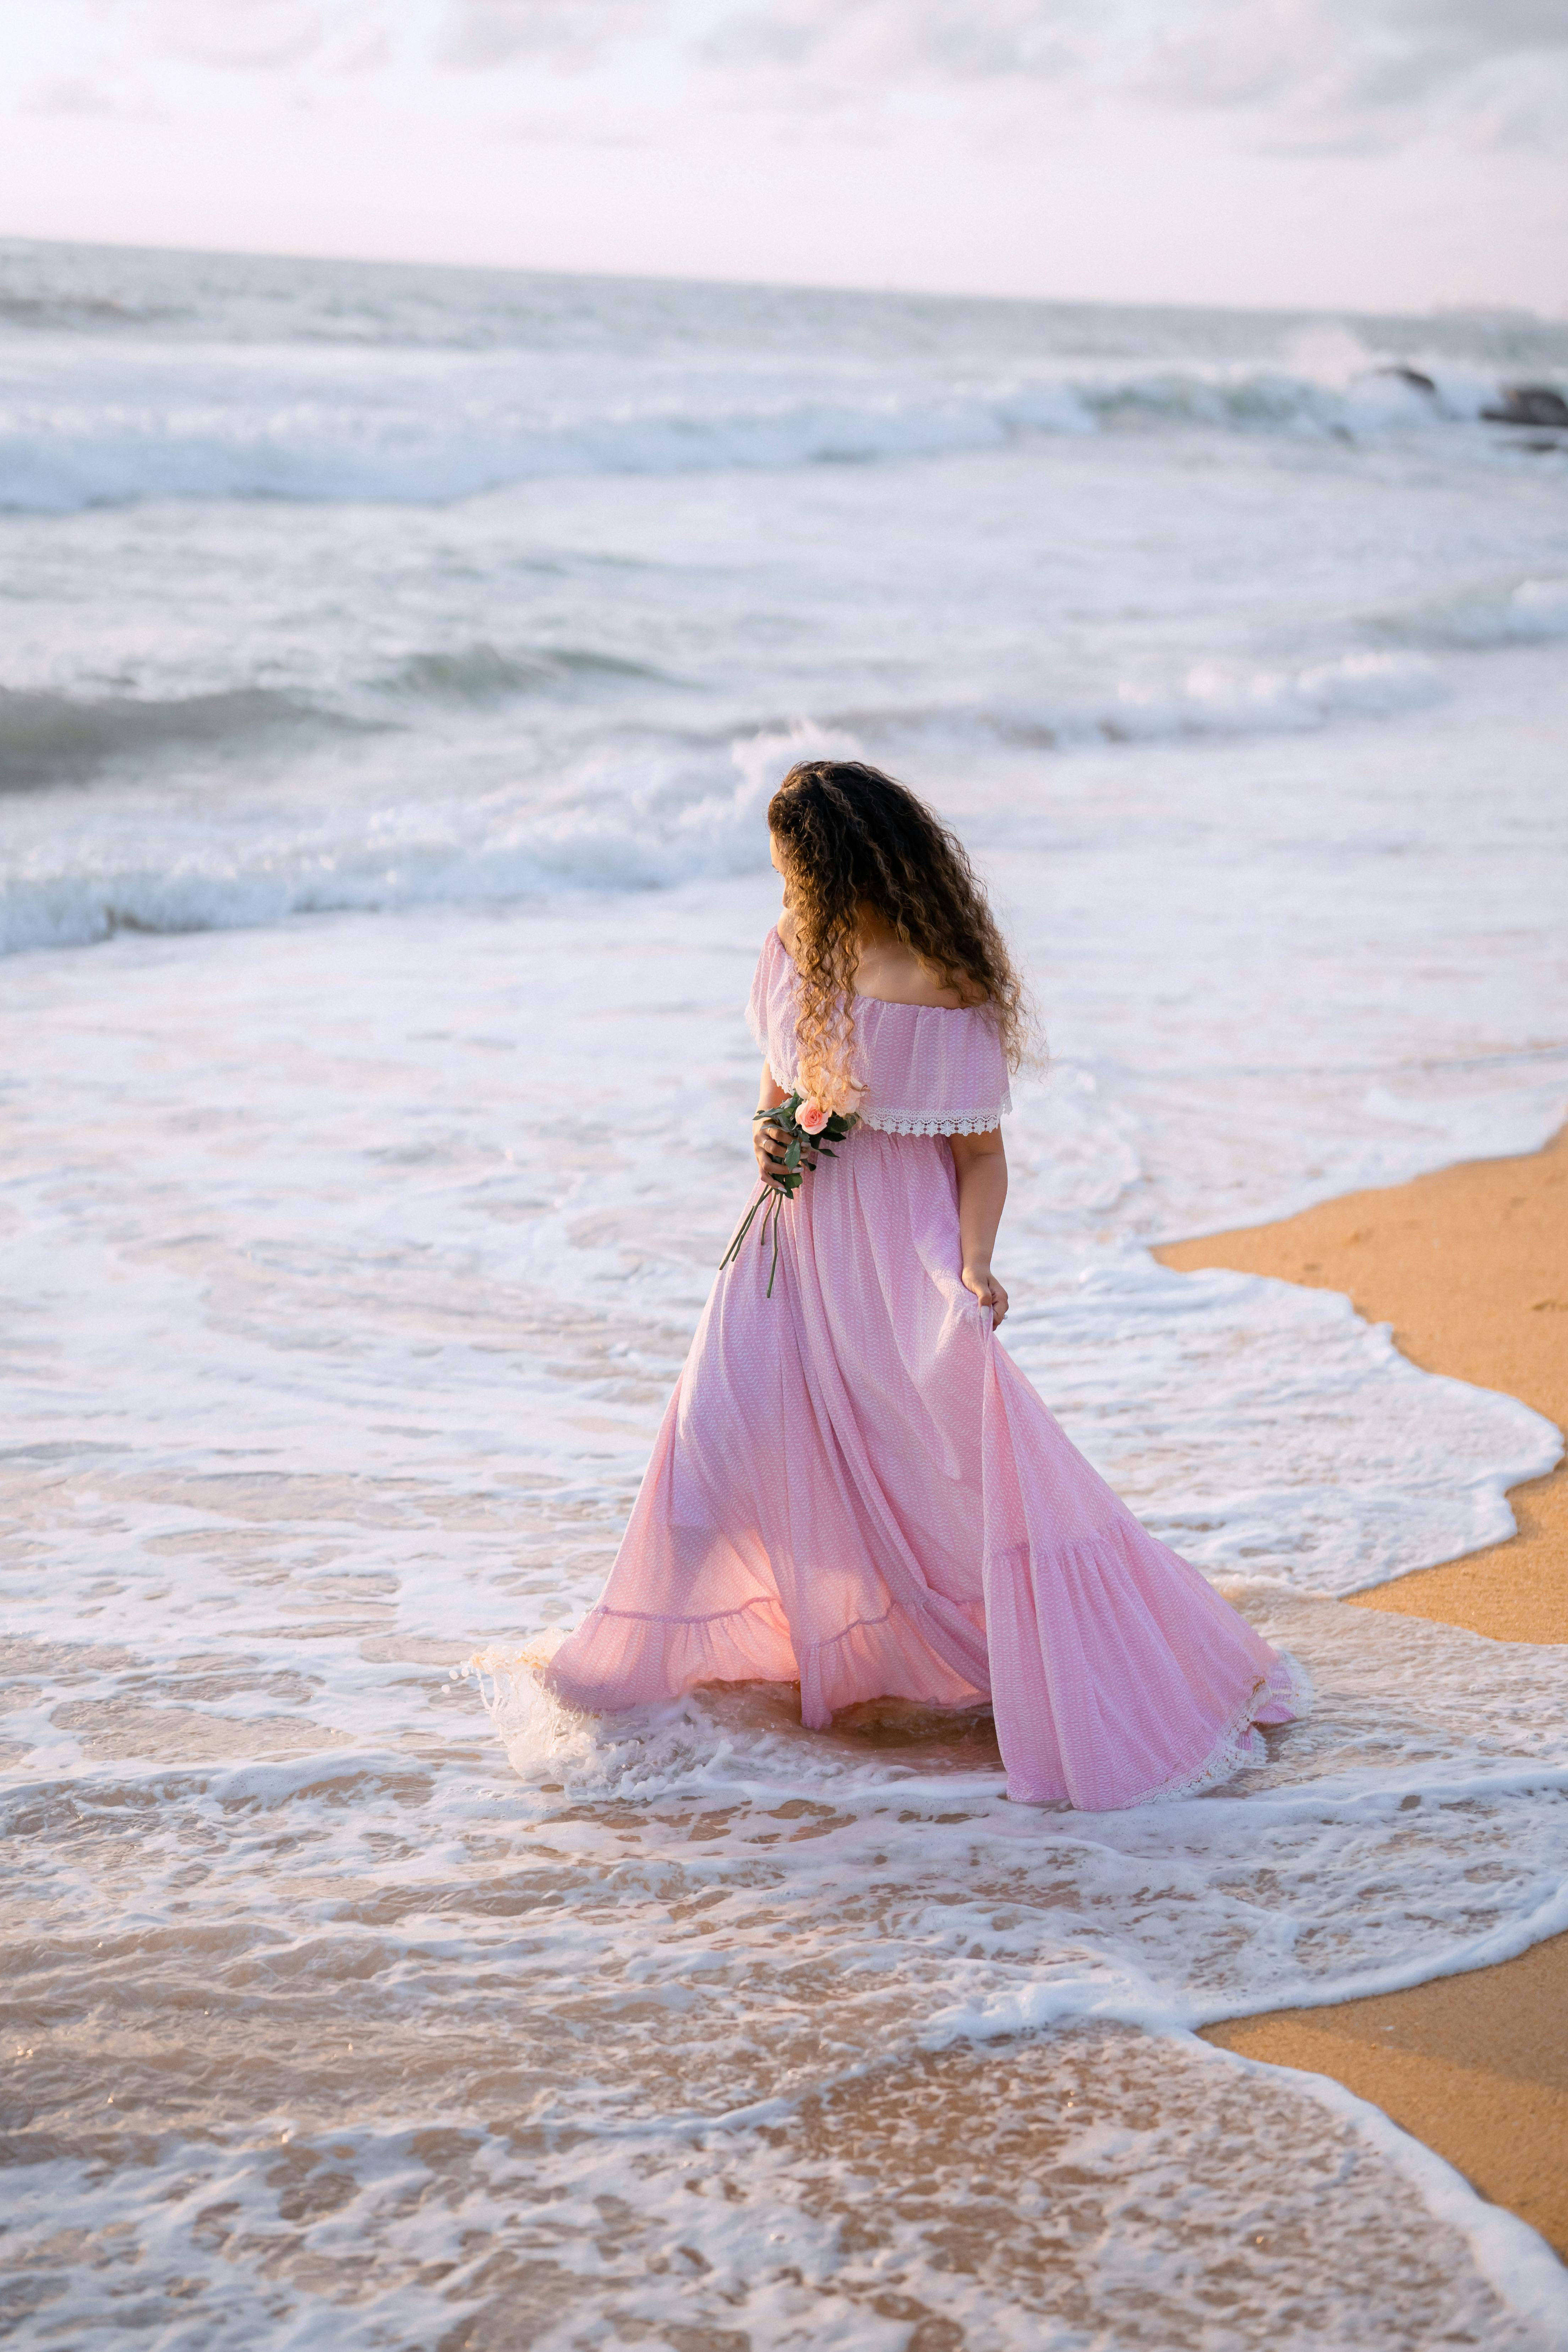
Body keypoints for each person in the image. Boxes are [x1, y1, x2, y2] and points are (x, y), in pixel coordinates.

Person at [543, 759, 1308, 1809]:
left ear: (835, 864)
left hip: (896, 1273)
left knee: (952, 1474)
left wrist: (974, 1264)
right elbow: (775, 1094)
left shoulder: (943, 984)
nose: (780, 890)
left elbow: (979, 1156)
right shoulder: (785, 954)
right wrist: (769, 1138)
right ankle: (634, 1688)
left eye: (788, 869)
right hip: (784, 1254)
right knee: (709, 1439)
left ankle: (1062, 1665)